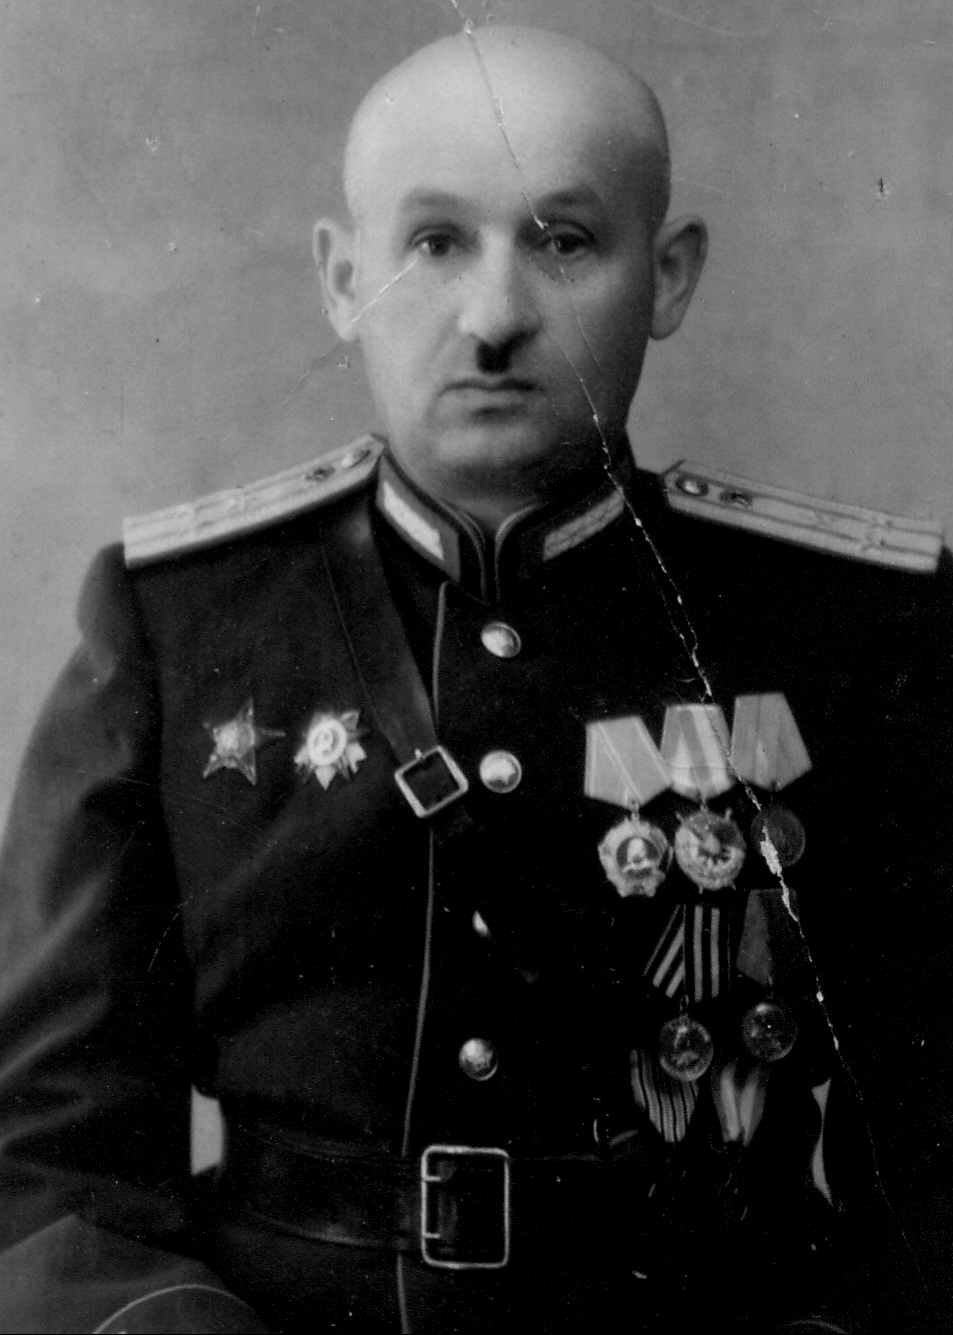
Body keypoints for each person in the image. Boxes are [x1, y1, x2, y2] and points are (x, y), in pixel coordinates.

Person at [0, 24, 949, 1334]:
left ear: (667, 277)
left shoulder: (856, 627)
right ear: (344, 280)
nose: (494, 317)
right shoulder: (176, 621)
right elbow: (47, 1157)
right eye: (435, 243)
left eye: (563, 242)